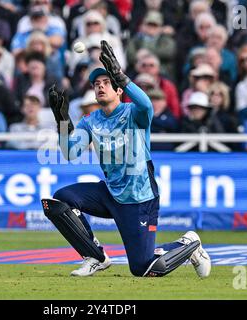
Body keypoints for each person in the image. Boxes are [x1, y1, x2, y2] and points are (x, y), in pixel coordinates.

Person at [42, 40, 211, 278]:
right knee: (59, 200)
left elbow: (147, 105)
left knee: (143, 267)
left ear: (119, 90)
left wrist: (121, 75)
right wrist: (61, 120)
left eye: (106, 83)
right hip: (110, 193)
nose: (100, 87)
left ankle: (189, 243)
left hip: (140, 199)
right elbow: (71, 153)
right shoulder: (91, 120)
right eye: (96, 84)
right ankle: (96, 256)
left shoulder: (133, 113)